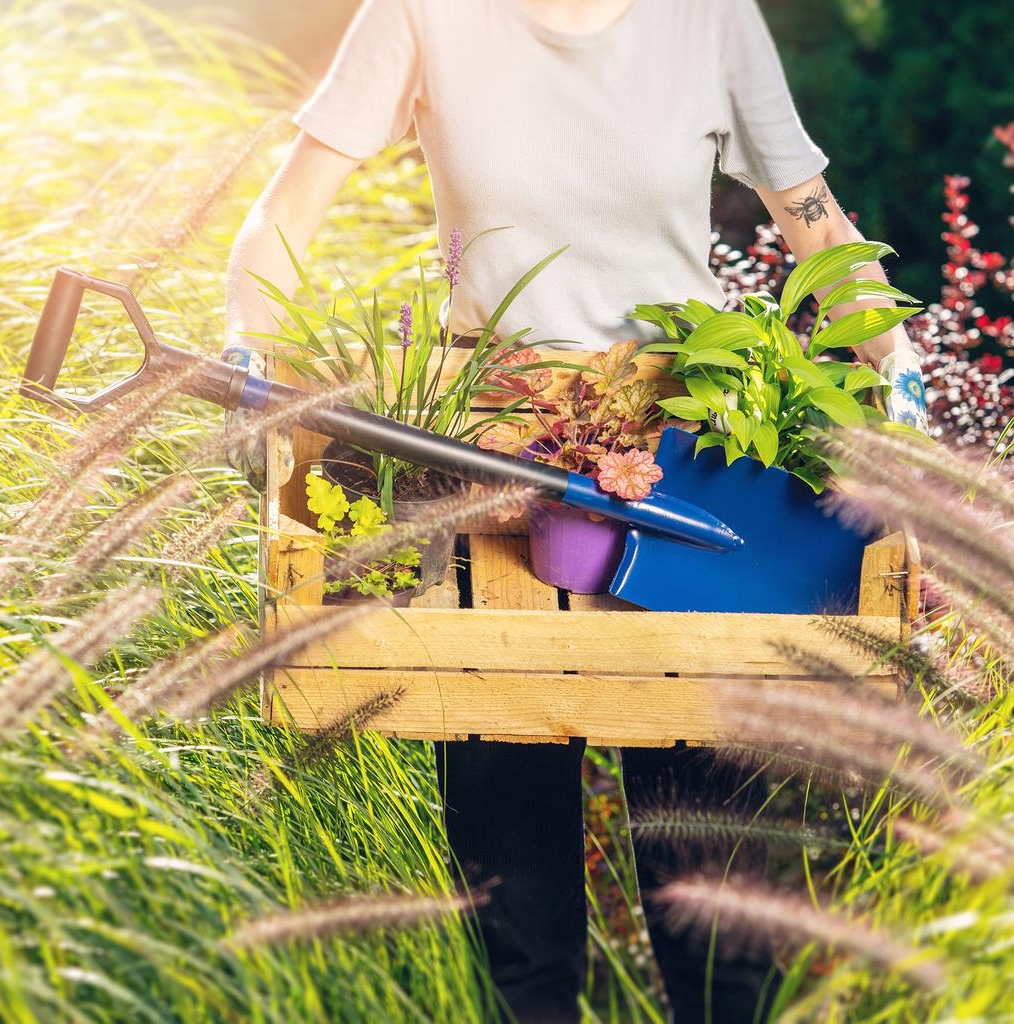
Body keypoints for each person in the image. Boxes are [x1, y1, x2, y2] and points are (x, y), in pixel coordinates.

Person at [224, 1, 930, 1020]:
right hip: (495, 470)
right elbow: (283, 220)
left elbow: (809, 213)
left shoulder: (711, 18)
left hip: (686, 458)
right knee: (523, 928)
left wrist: (895, 362)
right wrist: (254, 343)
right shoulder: (424, 14)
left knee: (716, 919)